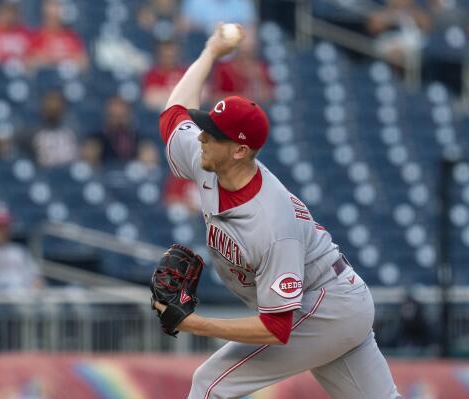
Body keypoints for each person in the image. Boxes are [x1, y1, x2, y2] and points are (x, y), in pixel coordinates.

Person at [152, 24, 401, 398]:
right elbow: (172, 115)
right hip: (336, 302)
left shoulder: (271, 221)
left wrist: (192, 324)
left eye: (212, 133)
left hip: (324, 305)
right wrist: (211, 52)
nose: (200, 136)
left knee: (210, 385)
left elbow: (275, 328)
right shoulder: (209, 160)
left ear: (239, 150)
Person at [0, 90, 80, 167]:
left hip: (69, 175)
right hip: (46, 177)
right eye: (49, 103)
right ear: (42, 107)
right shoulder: (33, 132)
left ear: (63, 107)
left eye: (56, 103)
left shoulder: (73, 131)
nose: (53, 107)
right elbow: (6, 141)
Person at [210, 33, 273, 105]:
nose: (247, 60)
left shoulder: (261, 68)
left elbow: (268, 97)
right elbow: (214, 97)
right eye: (244, 53)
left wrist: (258, 79)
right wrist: (244, 99)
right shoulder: (224, 68)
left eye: (250, 52)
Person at [29, 0, 89, 72]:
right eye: (53, 5)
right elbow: (30, 62)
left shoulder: (72, 37)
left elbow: (83, 62)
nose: (56, 10)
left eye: (59, 6)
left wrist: (53, 59)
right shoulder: (36, 36)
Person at [83, 96, 143, 166]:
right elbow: (87, 165)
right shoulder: (96, 139)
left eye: (121, 116)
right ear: (107, 116)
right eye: (113, 116)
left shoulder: (137, 140)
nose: (118, 121)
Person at [142, 40, 187, 112]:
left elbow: (201, 94)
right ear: (159, 56)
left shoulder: (185, 72)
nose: (169, 60)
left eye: (172, 56)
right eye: (166, 56)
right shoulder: (151, 75)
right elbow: (149, 100)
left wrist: (163, 94)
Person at [180, 0, 256, 34]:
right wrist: (206, 28)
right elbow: (183, 27)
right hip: (201, 49)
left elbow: (251, 34)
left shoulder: (242, 3)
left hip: (234, 52)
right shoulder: (195, 2)